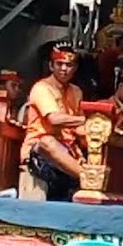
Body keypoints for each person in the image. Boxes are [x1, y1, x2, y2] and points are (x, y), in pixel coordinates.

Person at [20, 43, 85, 201]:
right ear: (51, 65)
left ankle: (87, 176)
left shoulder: (76, 92)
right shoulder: (41, 87)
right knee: (47, 141)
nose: (64, 68)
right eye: (59, 64)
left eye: (69, 65)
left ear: (75, 68)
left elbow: (80, 130)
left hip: (67, 153)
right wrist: (86, 120)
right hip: (39, 153)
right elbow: (54, 119)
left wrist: (100, 127)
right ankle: (87, 178)